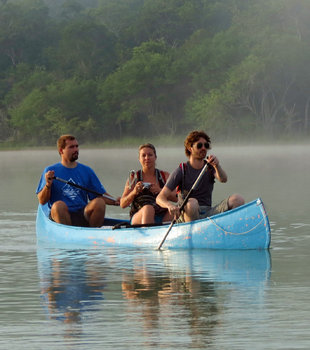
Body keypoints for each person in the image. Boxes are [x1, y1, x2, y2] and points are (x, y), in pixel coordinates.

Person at [156, 130, 244, 222]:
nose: (203, 148)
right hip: (187, 215)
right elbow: (160, 198)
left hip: (207, 212)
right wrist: (170, 206)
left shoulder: (210, 167)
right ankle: (193, 232)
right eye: (199, 145)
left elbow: (223, 179)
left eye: (206, 145)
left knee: (238, 199)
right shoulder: (181, 170)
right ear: (190, 148)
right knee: (192, 203)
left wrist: (217, 166)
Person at [36, 134, 119, 227]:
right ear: (61, 150)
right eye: (71, 147)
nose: (76, 149)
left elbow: (99, 195)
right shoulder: (50, 170)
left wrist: (116, 201)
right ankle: (67, 236)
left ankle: (93, 234)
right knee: (58, 205)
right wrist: (48, 185)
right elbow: (42, 200)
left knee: (99, 203)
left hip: (82, 214)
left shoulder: (87, 170)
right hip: (61, 215)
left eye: (77, 146)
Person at [120, 143, 176, 225]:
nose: (147, 158)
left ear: (155, 157)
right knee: (148, 209)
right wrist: (134, 192)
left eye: (150, 155)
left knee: (178, 210)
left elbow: (176, 198)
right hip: (139, 216)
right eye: (143, 155)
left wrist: (160, 191)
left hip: (162, 216)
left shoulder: (164, 176)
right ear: (139, 159)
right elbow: (122, 204)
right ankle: (148, 235)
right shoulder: (133, 177)